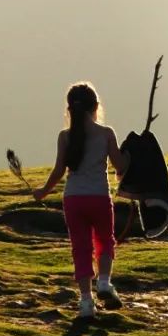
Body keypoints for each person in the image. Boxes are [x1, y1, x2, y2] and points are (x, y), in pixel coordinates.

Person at [33, 82, 129, 318]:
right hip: (98, 196)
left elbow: (58, 171)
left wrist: (44, 191)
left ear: (70, 109)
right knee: (105, 240)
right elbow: (120, 166)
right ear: (96, 106)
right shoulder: (106, 134)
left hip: (73, 199)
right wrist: (131, 153)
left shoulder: (65, 137)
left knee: (81, 248)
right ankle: (104, 282)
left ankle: (86, 302)